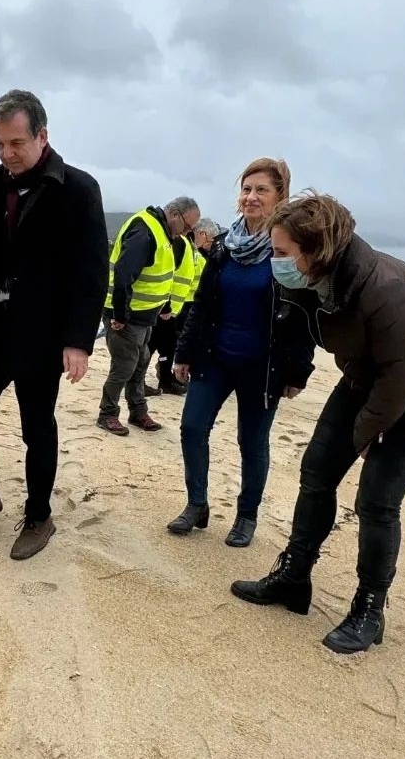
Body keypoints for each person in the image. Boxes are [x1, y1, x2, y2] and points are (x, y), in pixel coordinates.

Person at [230, 192, 405, 654]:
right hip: (362, 377)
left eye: (280, 253)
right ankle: (293, 578)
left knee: (377, 498)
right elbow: (293, 330)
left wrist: (364, 437)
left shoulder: (389, 288)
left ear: (317, 251)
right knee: (316, 470)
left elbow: (401, 378)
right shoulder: (300, 276)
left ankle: (369, 609)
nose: (273, 261)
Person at [0, 89, 109, 560]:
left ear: (42, 135)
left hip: (42, 332)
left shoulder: (78, 188)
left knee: (37, 426)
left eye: (16, 143)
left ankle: (38, 516)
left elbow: (92, 270)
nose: (7, 154)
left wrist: (78, 341)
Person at [169, 159, 315, 546]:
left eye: (261, 190)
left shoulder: (286, 251)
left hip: (261, 367)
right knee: (192, 427)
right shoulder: (224, 246)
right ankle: (196, 504)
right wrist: (183, 352)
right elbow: (202, 304)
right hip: (214, 357)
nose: (251, 197)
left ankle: (246, 515)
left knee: (252, 443)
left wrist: (297, 372)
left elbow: (303, 314)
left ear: (279, 197)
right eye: (247, 189)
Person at [98, 197, 201, 436]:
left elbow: (158, 276)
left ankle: (137, 411)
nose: (188, 232)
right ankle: (107, 413)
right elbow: (124, 275)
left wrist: (164, 308)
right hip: (125, 315)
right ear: (174, 214)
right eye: (187, 226)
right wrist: (120, 315)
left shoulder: (163, 233)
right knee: (124, 367)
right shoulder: (144, 231)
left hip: (145, 317)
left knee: (141, 361)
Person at [145, 218, 221, 397]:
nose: (212, 244)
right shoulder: (183, 245)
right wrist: (168, 305)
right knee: (157, 343)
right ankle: (150, 378)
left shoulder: (196, 251)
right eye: (210, 239)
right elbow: (171, 274)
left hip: (181, 305)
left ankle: (164, 377)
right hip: (171, 306)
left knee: (168, 345)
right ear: (201, 234)